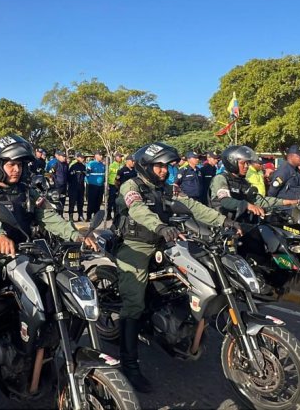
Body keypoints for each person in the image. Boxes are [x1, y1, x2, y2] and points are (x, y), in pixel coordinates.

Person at [0, 135, 95, 390]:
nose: (17, 169)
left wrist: (76, 234)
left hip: (27, 254)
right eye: (10, 164)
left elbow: (50, 217)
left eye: (20, 164)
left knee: (54, 293)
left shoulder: (28, 192)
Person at [114, 142, 235, 393]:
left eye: (166, 166)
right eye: (158, 166)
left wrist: (224, 221)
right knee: (133, 303)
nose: (163, 171)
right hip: (137, 246)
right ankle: (129, 363)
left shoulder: (168, 188)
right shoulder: (131, 185)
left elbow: (193, 206)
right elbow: (137, 210)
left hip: (165, 241)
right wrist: (160, 226)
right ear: (146, 166)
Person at [209, 145, 298, 219]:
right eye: (243, 163)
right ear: (232, 162)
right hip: (222, 226)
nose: (247, 166)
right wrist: (247, 205)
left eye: (247, 163)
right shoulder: (221, 179)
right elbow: (225, 201)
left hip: (239, 223)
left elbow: (258, 200)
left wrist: (286, 202)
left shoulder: (243, 182)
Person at [85, 151, 106, 219]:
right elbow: (86, 174)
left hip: (100, 186)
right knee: (91, 201)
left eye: (102, 155)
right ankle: (88, 216)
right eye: (100, 155)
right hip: (93, 186)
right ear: (96, 156)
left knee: (98, 202)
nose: (101, 156)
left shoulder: (102, 165)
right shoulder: (91, 164)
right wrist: (88, 182)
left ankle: (96, 216)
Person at [68, 152, 87, 222]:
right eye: (81, 157)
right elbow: (69, 176)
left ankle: (80, 215)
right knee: (72, 202)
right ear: (77, 157)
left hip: (81, 187)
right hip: (73, 187)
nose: (83, 159)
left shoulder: (83, 166)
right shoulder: (73, 165)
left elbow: (85, 175)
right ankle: (70, 216)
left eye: (83, 158)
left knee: (80, 202)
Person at [106, 152, 124, 220]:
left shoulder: (122, 165)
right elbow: (107, 175)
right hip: (112, 185)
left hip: (119, 185)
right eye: (119, 157)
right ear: (116, 157)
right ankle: (108, 214)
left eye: (121, 157)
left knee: (118, 201)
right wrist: (107, 184)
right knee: (111, 200)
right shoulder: (112, 165)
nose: (120, 158)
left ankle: (116, 215)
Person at [51, 150, 69, 215]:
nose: (64, 158)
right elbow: (52, 173)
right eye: (63, 156)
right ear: (59, 157)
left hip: (64, 185)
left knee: (63, 200)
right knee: (57, 200)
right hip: (58, 186)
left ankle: (61, 214)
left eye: (65, 156)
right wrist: (55, 180)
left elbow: (67, 174)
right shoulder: (56, 164)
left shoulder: (66, 165)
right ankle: (57, 214)